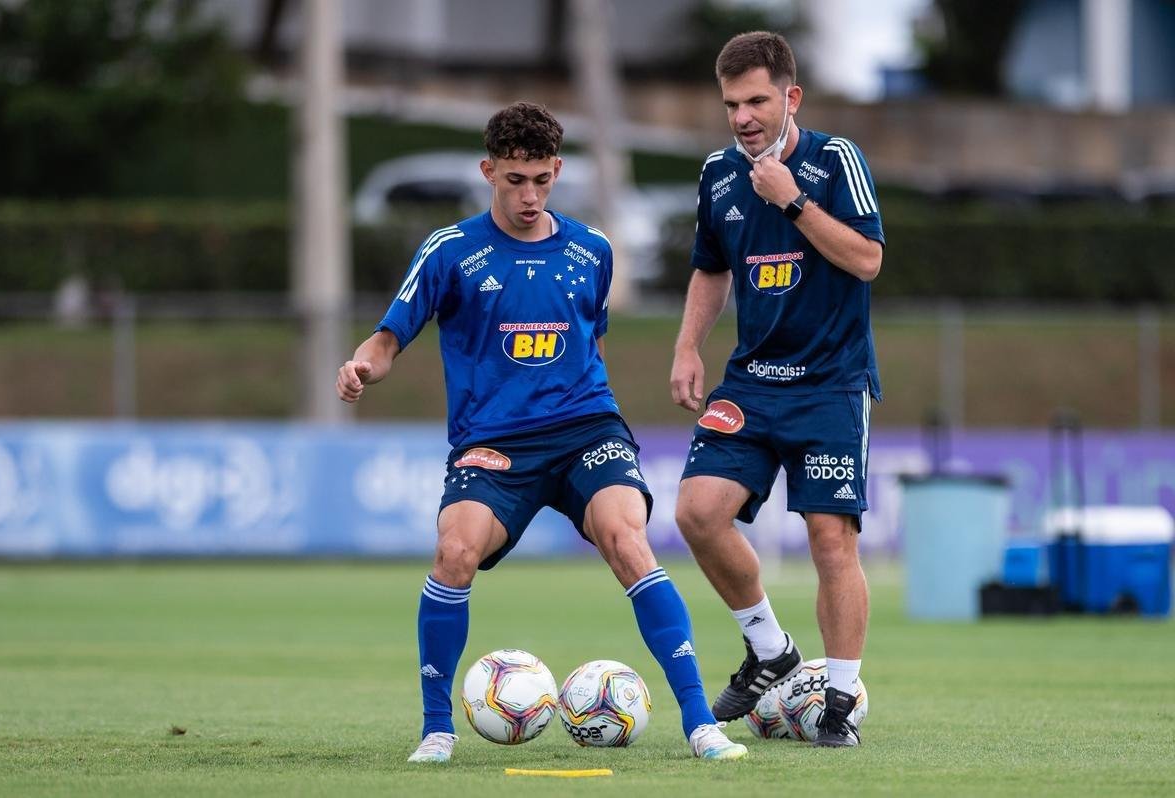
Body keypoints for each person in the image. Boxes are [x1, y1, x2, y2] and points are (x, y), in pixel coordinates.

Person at [338, 102, 747, 764]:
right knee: (454, 552)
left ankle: (702, 724)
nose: (528, 195)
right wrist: (363, 366)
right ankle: (437, 729)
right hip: (494, 444)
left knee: (627, 538)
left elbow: (592, 345)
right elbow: (387, 339)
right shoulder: (450, 251)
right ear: (488, 172)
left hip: (588, 429)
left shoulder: (592, 251)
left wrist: (598, 418)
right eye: (513, 180)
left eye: (540, 180)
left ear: (557, 171)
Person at [668, 31, 884, 748]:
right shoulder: (718, 174)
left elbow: (867, 259)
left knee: (831, 540)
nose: (743, 116)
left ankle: (840, 699)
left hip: (830, 384)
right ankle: (771, 649)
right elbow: (709, 267)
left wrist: (792, 203)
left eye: (757, 100)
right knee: (698, 512)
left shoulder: (834, 160)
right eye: (732, 103)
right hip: (752, 383)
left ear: (790, 97)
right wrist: (688, 346)